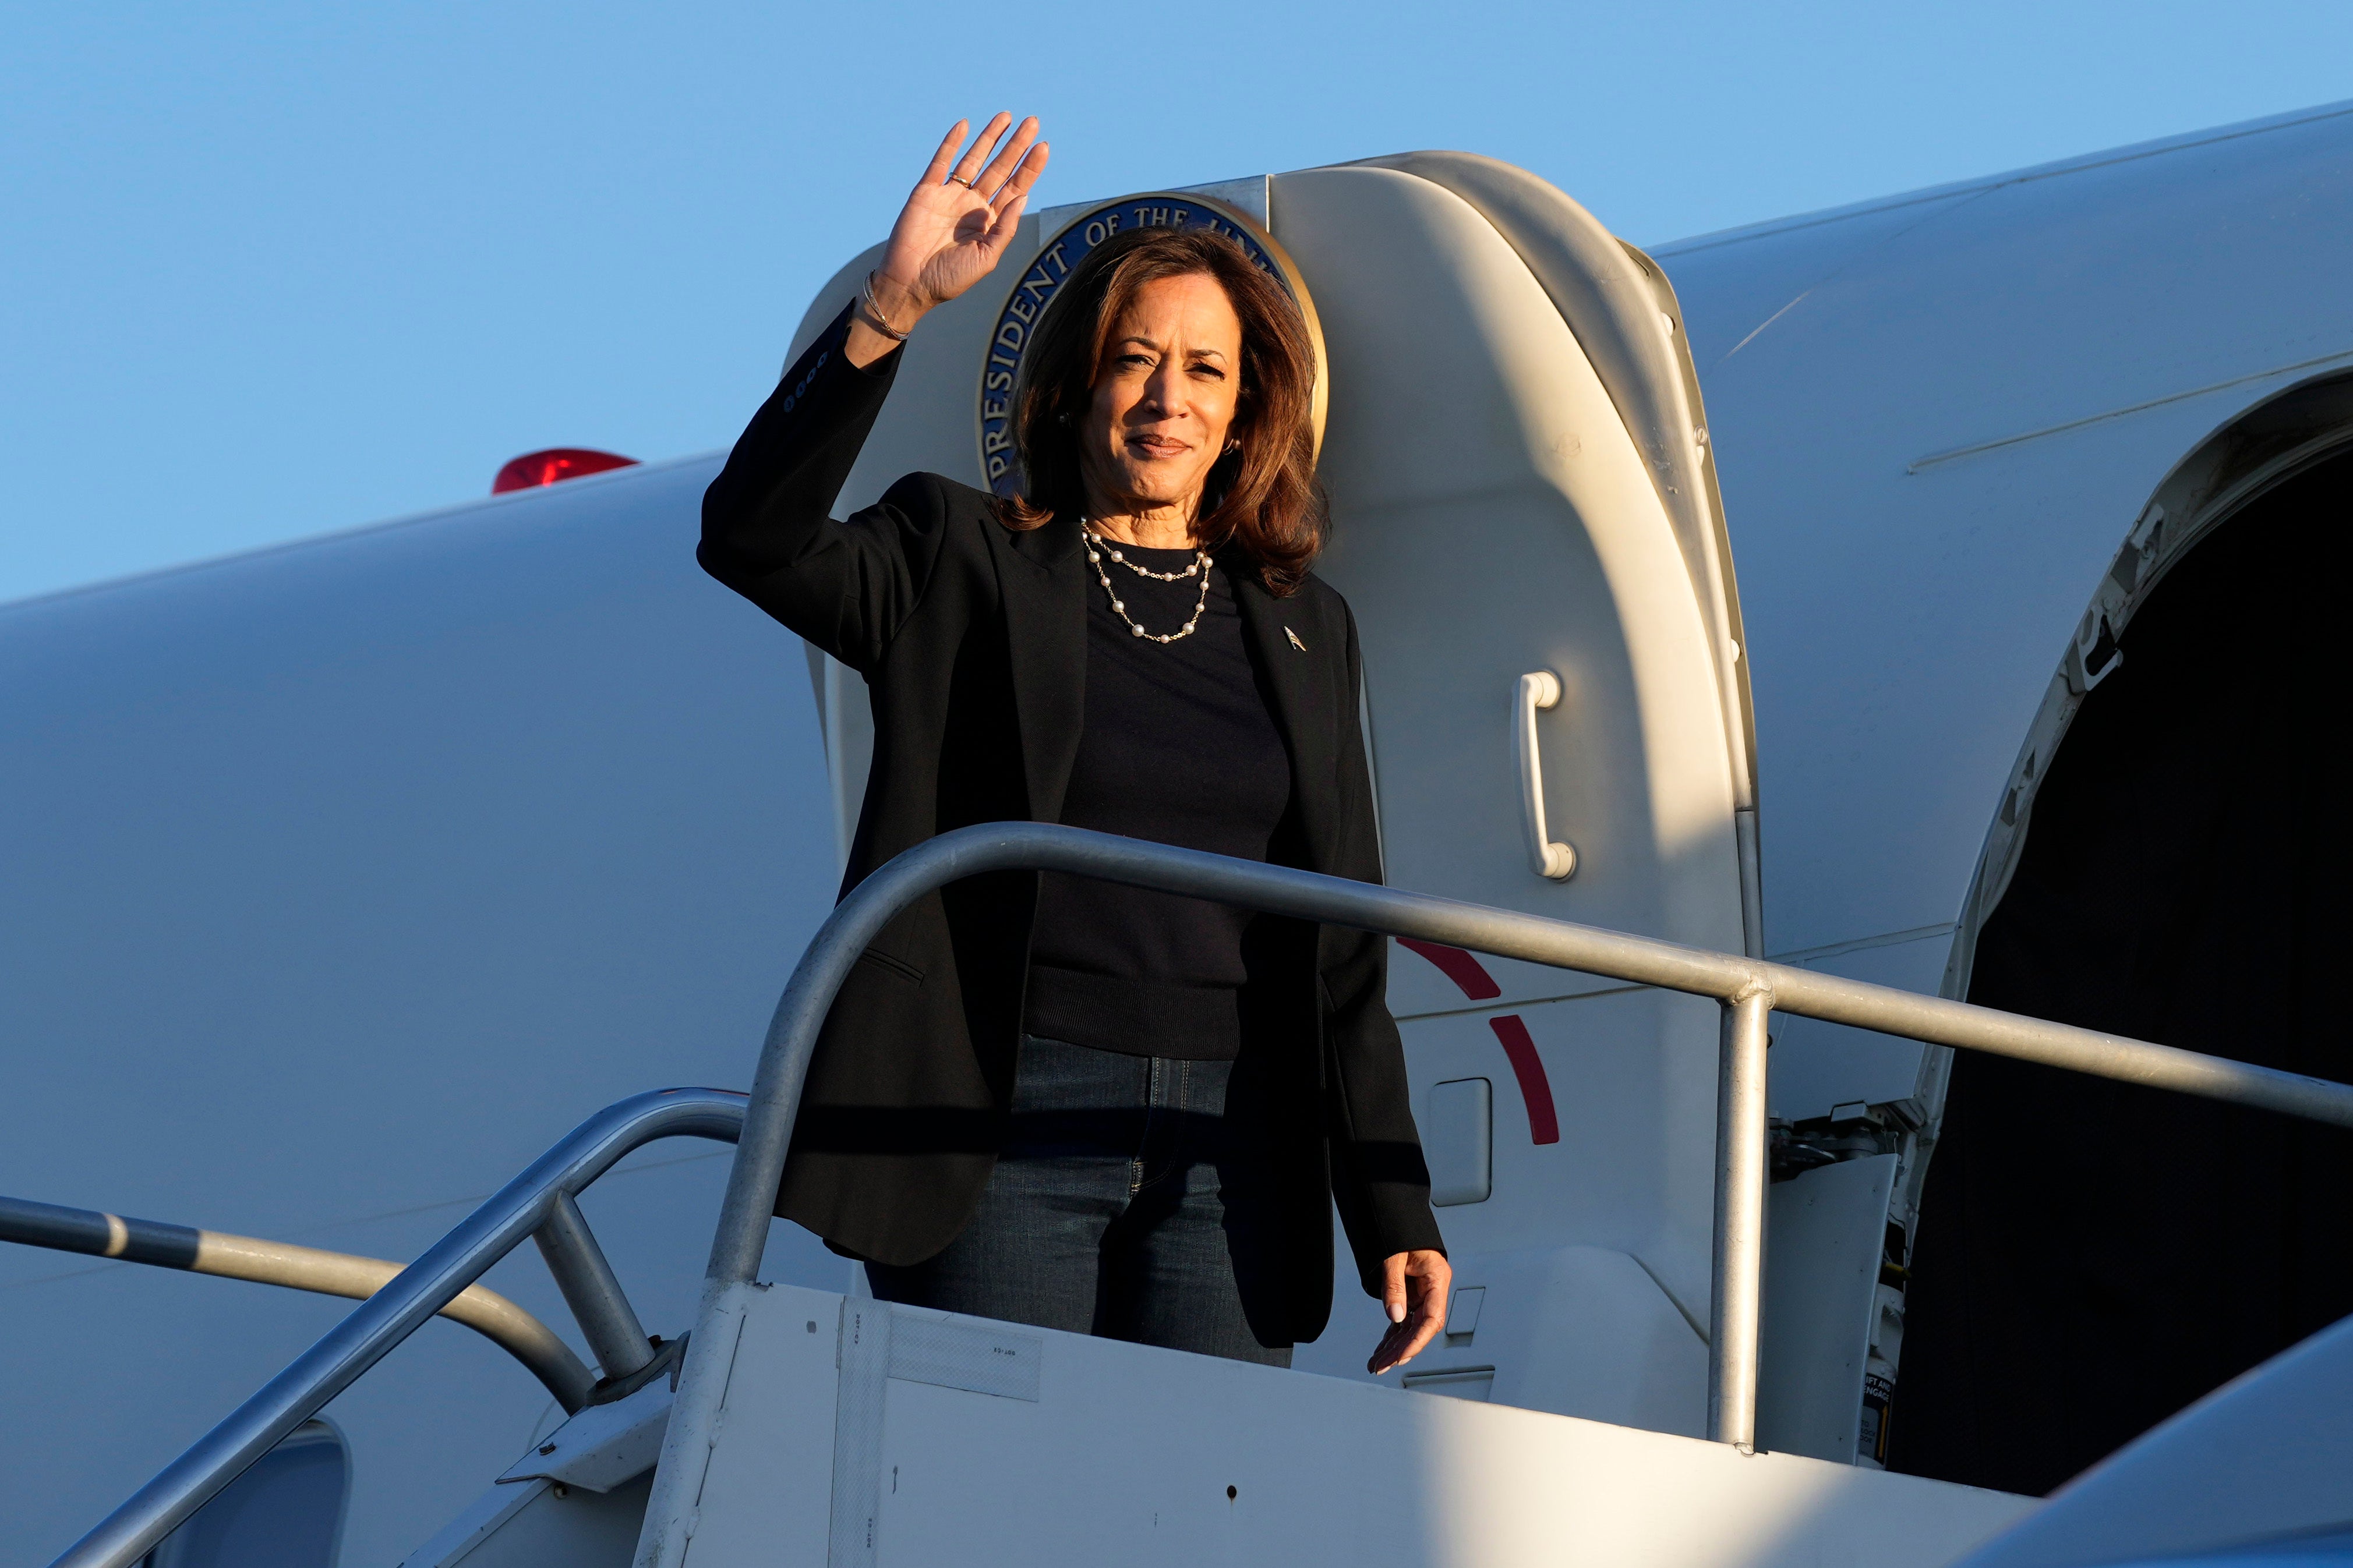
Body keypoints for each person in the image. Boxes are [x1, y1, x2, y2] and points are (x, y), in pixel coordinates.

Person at [700, 114, 1449, 1372]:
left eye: (1206, 371)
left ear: (1247, 407)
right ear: (1077, 388)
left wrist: (1390, 1201)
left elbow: (1339, 939)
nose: (1167, 400)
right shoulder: (959, 557)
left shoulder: (1307, 626)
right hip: (1005, 1127)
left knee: (1198, 1515)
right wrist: (887, 309)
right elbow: (751, 541)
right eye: (1135, 362)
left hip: (1234, 1148)